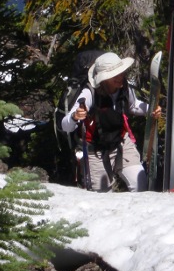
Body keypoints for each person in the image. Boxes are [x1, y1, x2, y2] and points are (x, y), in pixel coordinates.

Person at [61, 52, 161, 192]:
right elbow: (65, 125)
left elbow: (133, 105)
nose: (120, 77)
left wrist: (150, 110)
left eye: (121, 72)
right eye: (115, 75)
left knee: (139, 184)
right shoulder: (89, 93)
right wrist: (75, 117)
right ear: (104, 78)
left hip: (121, 141)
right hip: (95, 150)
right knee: (102, 197)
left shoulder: (124, 87)